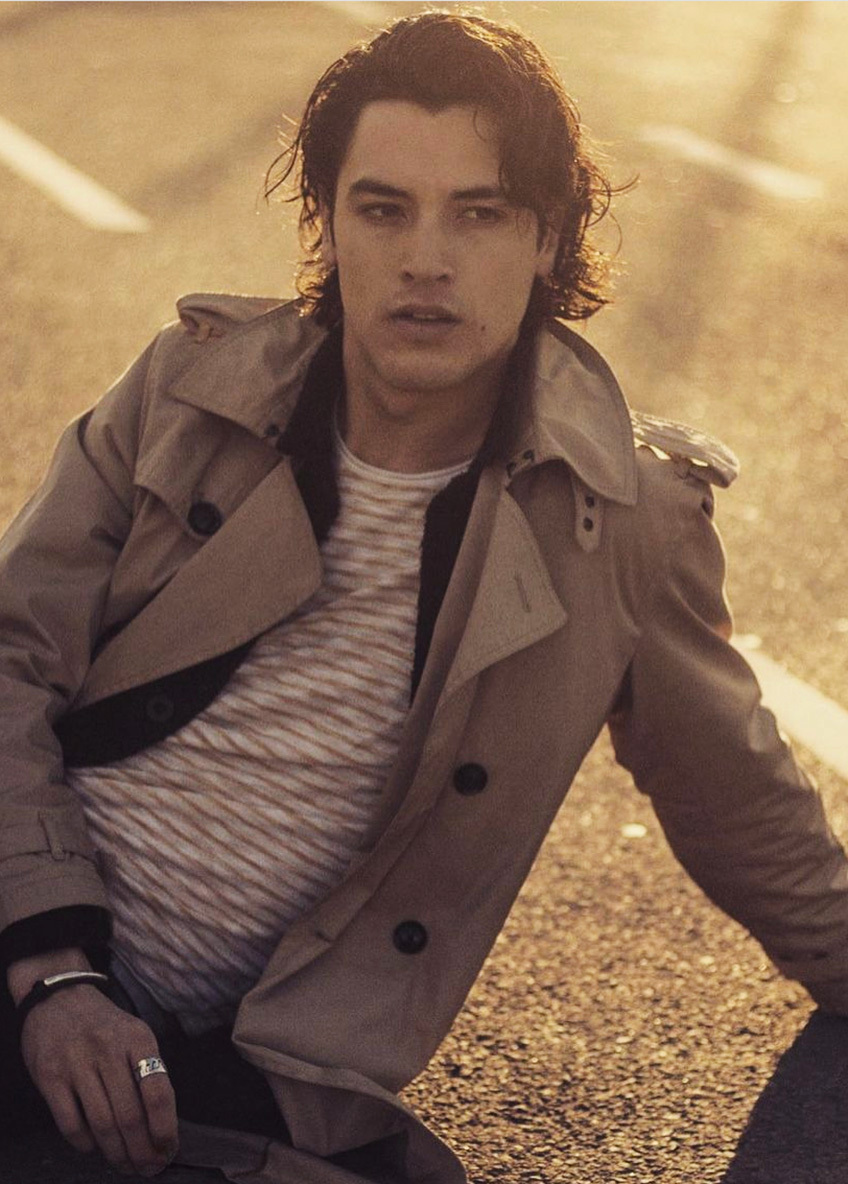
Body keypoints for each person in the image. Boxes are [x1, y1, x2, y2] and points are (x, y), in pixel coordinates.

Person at [1, 11, 847, 1184]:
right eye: (383, 208)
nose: (425, 259)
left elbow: (734, 791)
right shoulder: (184, 393)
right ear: (328, 223)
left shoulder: (617, 517)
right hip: (29, 940)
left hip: (248, 1075)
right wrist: (52, 968)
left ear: (547, 237)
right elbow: (10, 659)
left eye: (478, 213)